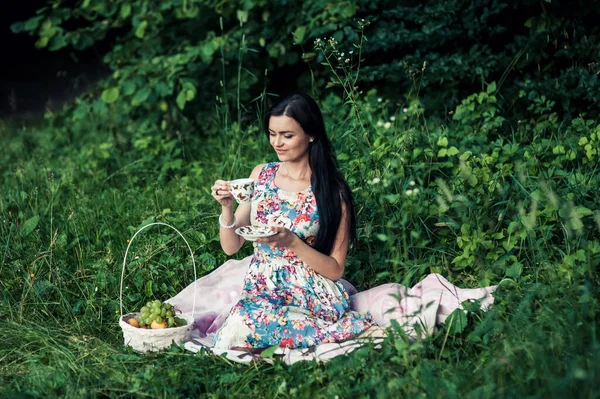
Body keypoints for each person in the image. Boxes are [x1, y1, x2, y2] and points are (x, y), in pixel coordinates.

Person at [209, 92, 376, 350]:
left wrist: (292, 242)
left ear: (311, 135)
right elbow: (231, 247)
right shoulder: (261, 174)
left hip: (310, 289)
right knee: (237, 328)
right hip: (262, 285)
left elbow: (335, 269)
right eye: (272, 133)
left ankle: (327, 329)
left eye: (287, 135)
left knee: (250, 326)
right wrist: (227, 208)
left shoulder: (332, 191)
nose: (277, 142)